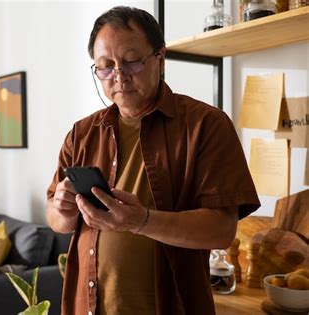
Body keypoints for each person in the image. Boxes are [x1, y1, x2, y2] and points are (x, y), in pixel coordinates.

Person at [46, 6, 260, 315]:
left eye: (131, 61)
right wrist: (63, 209)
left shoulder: (205, 125)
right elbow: (56, 217)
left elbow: (221, 231)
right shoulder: (81, 133)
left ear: (160, 58)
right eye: (105, 66)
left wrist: (142, 220)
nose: (118, 76)